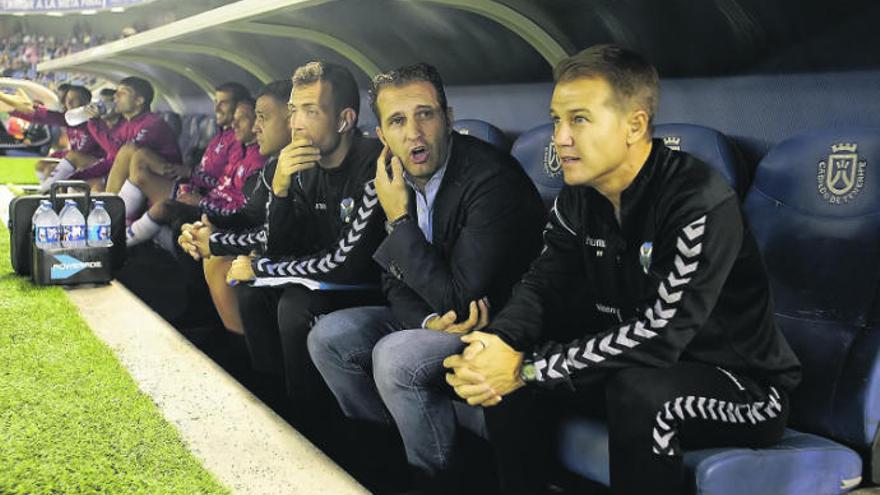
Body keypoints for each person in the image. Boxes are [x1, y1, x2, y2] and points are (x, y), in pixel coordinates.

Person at [441, 44, 803, 495]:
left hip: (743, 390)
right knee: (507, 374)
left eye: (579, 119)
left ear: (635, 125)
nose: (560, 137)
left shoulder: (697, 200)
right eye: (556, 119)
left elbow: (659, 335)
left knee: (639, 392)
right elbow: (544, 282)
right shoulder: (582, 195)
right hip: (631, 366)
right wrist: (500, 343)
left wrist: (526, 368)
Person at [306, 62, 545, 491]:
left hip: (493, 326)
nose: (413, 133)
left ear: (448, 119)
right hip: (439, 320)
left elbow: (462, 298)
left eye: (425, 114)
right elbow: (393, 280)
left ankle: (437, 480)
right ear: (382, 136)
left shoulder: (490, 179)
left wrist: (399, 219)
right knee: (330, 336)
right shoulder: (395, 176)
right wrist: (425, 322)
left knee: (396, 356)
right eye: (397, 120)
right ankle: (382, 465)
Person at [181, 63, 386, 431]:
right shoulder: (302, 166)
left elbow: (348, 262)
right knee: (253, 295)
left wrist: (262, 268)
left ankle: (312, 425)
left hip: (370, 285)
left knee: (293, 304)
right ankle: (273, 405)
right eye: (293, 111)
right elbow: (279, 244)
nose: (297, 123)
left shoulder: (371, 165)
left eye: (310, 111)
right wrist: (280, 189)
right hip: (323, 278)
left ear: (344, 120)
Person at [124, 82, 251, 246]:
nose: (217, 108)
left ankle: (120, 239)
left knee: (141, 160)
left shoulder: (238, 141)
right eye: (215, 102)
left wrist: (191, 174)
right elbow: (209, 171)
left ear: (240, 105)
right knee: (140, 166)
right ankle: (119, 224)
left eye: (224, 103)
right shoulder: (221, 134)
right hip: (195, 187)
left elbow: (224, 185)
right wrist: (189, 173)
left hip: (205, 196)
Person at [87, 77, 182, 219]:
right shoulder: (127, 124)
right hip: (138, 184)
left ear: (139, 101)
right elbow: (113, 159)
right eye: (116, 93)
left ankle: (108, 217)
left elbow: (121, 154)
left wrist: (94, 123)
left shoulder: (153, 124)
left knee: (128, 150)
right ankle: (103, 214)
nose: (115, 96)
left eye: (122, 93)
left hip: (163, 183)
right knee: (96, 186)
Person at [0, 85, 106, 191]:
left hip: (96, 163)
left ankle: (43, 193)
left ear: (85, 102)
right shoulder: (70, 120)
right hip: (79, 161)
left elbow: (47, 116)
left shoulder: (88, 121)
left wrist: (18, 109)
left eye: (74, 100)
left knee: (69, 161)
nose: (69, 103)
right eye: (68, 99)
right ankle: (53, 197)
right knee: (43, 165)